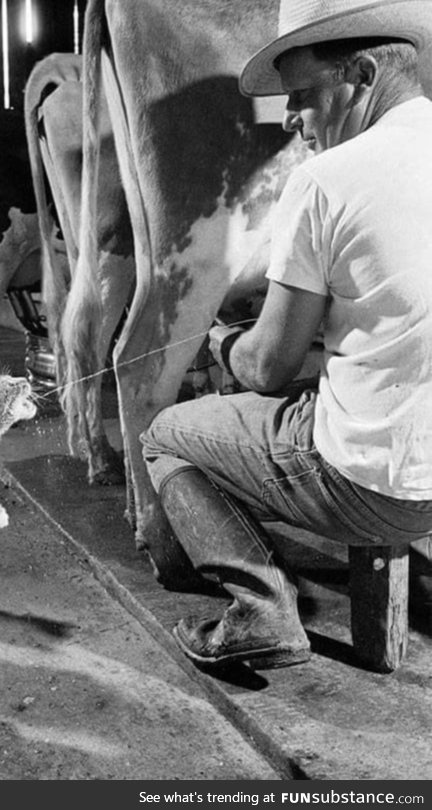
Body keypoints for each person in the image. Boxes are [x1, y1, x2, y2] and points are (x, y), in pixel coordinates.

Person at [140, 0, 432, 671]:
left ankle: (262, 608)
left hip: (383, 489)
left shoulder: (326, 179)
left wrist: (224, 344)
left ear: (360, 72)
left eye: (302, 96)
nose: (292, 122)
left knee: (169, 434)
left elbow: (267, 369)